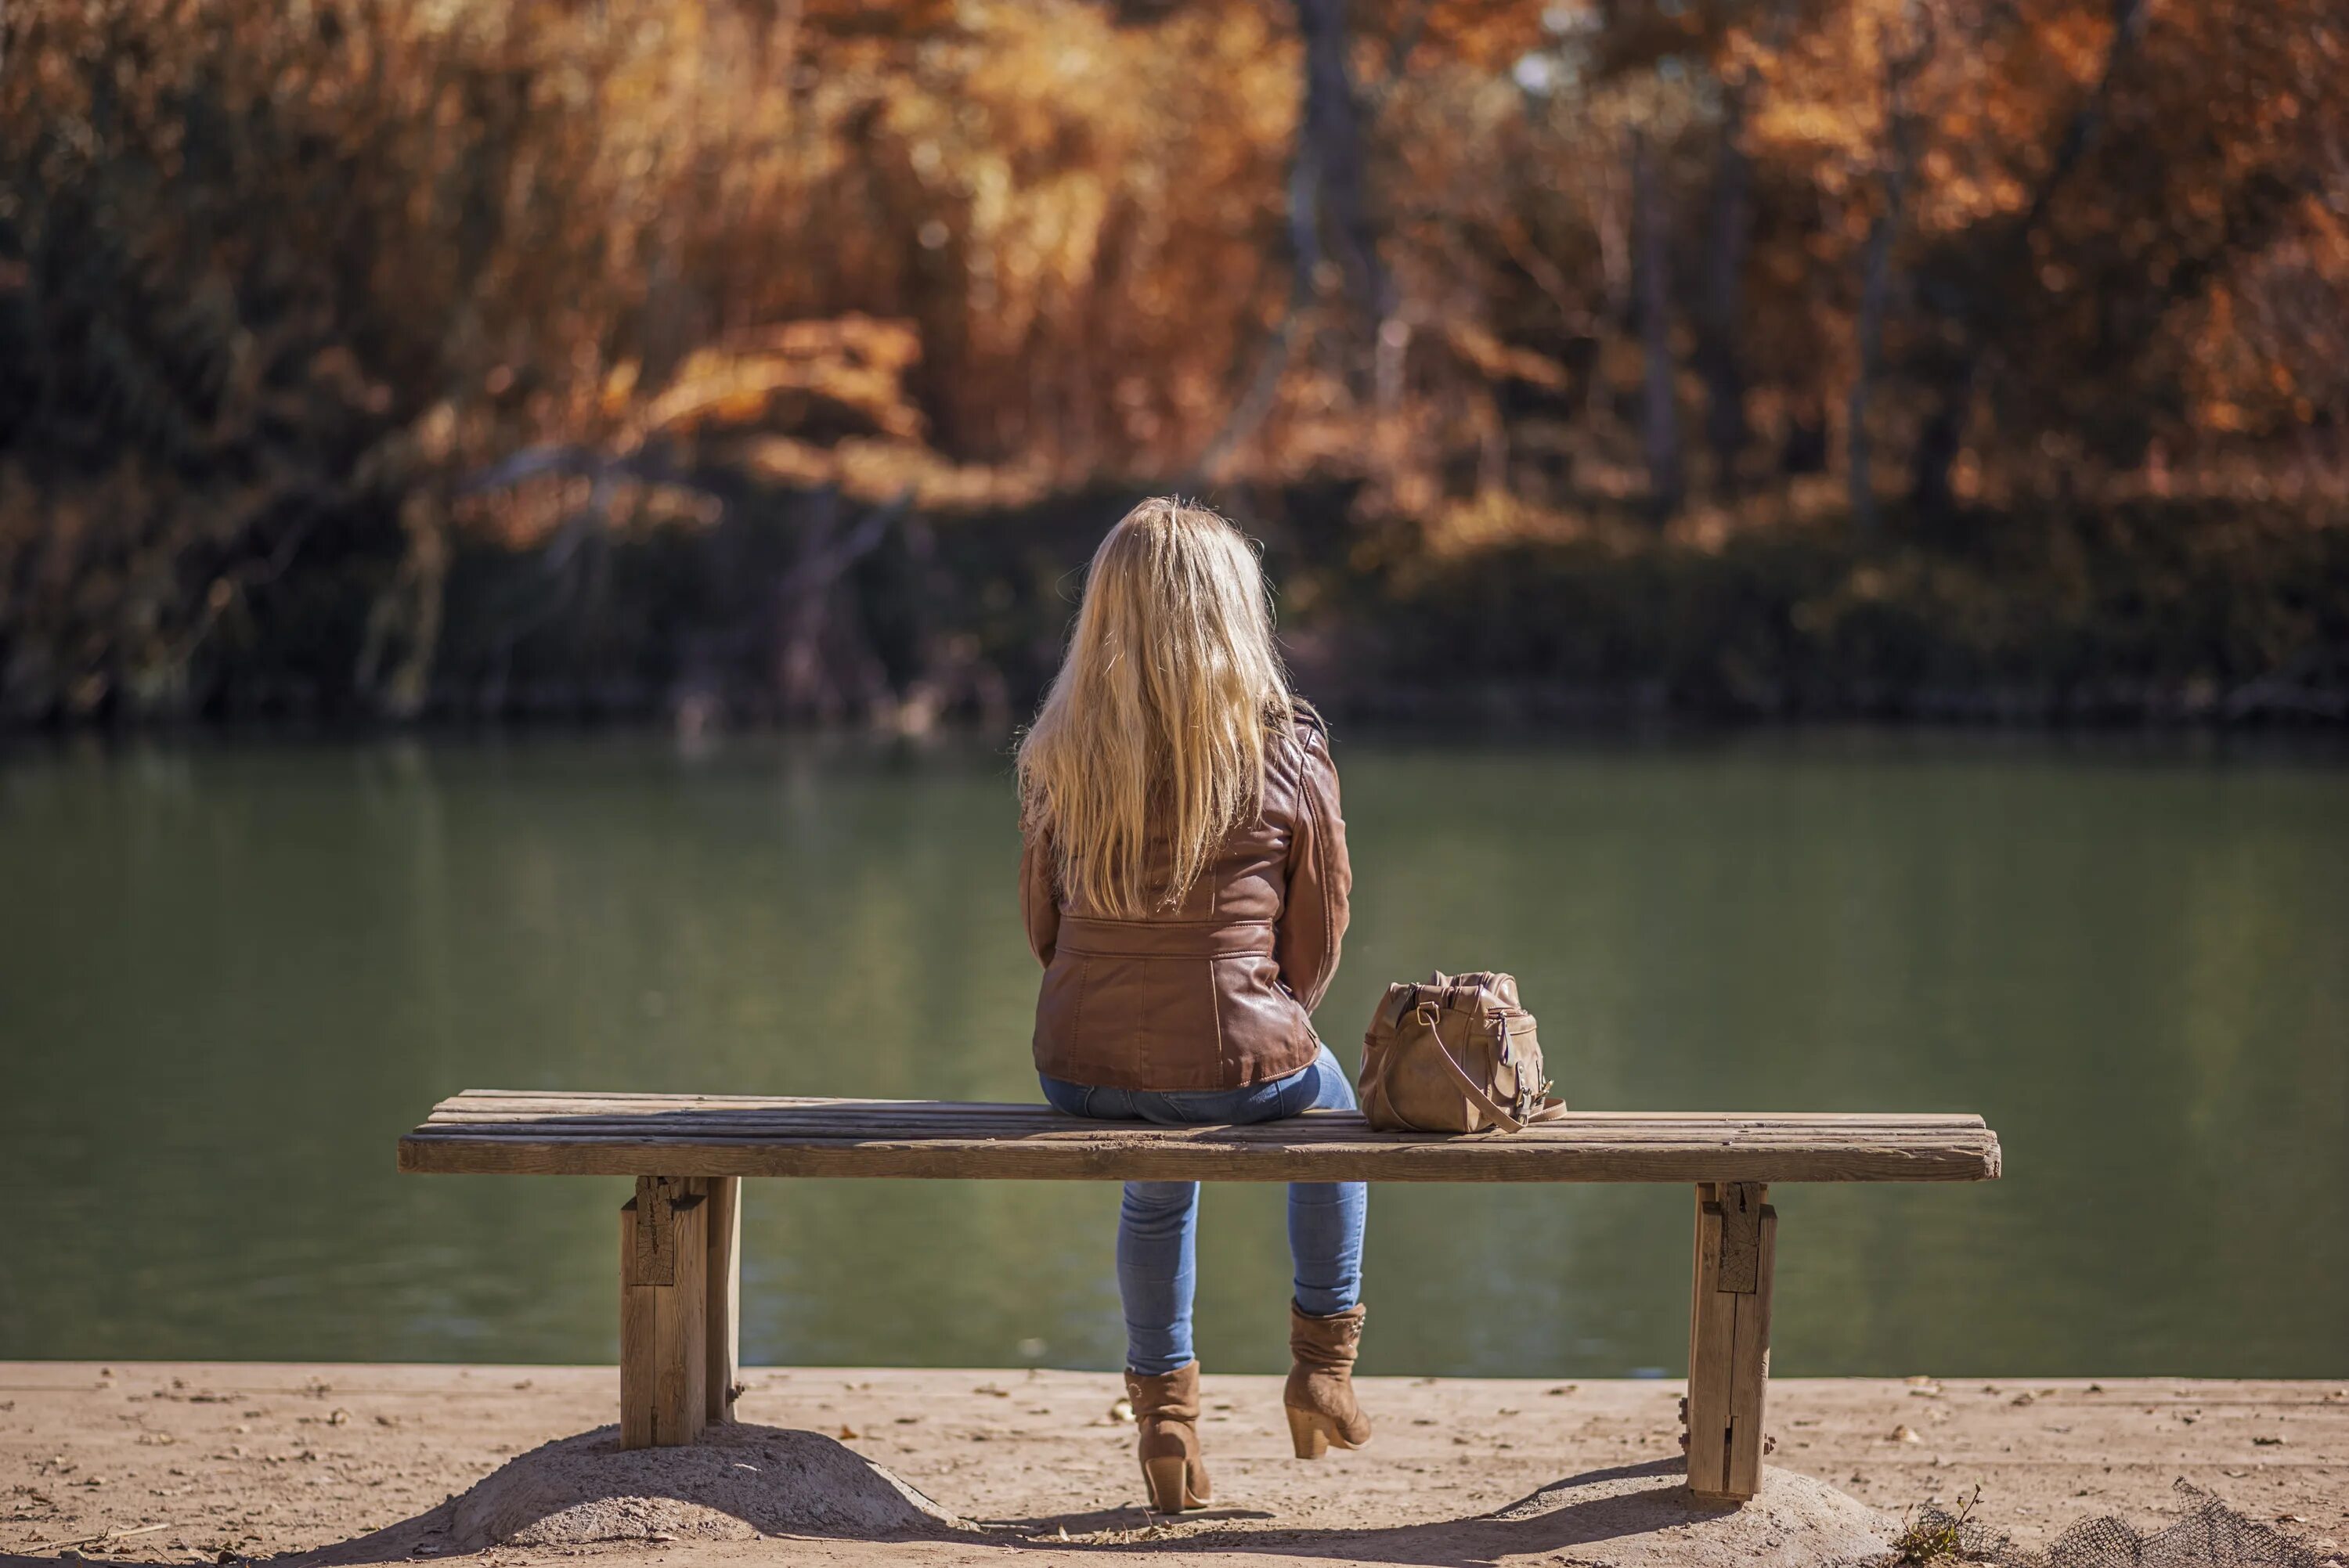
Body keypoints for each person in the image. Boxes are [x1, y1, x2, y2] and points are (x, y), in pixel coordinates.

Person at [1016, 496, 1369, 1513]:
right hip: (1238, 1058)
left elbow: (1044, 932)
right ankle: (1321, 1363)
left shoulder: (1060, 747)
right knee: (1335, 1110)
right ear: (1232, 611)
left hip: (1078, 1070)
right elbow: (1317, 938)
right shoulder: (1287, 744)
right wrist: (1266, 1018)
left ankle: (1167, 1424)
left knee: (1155, 1177)